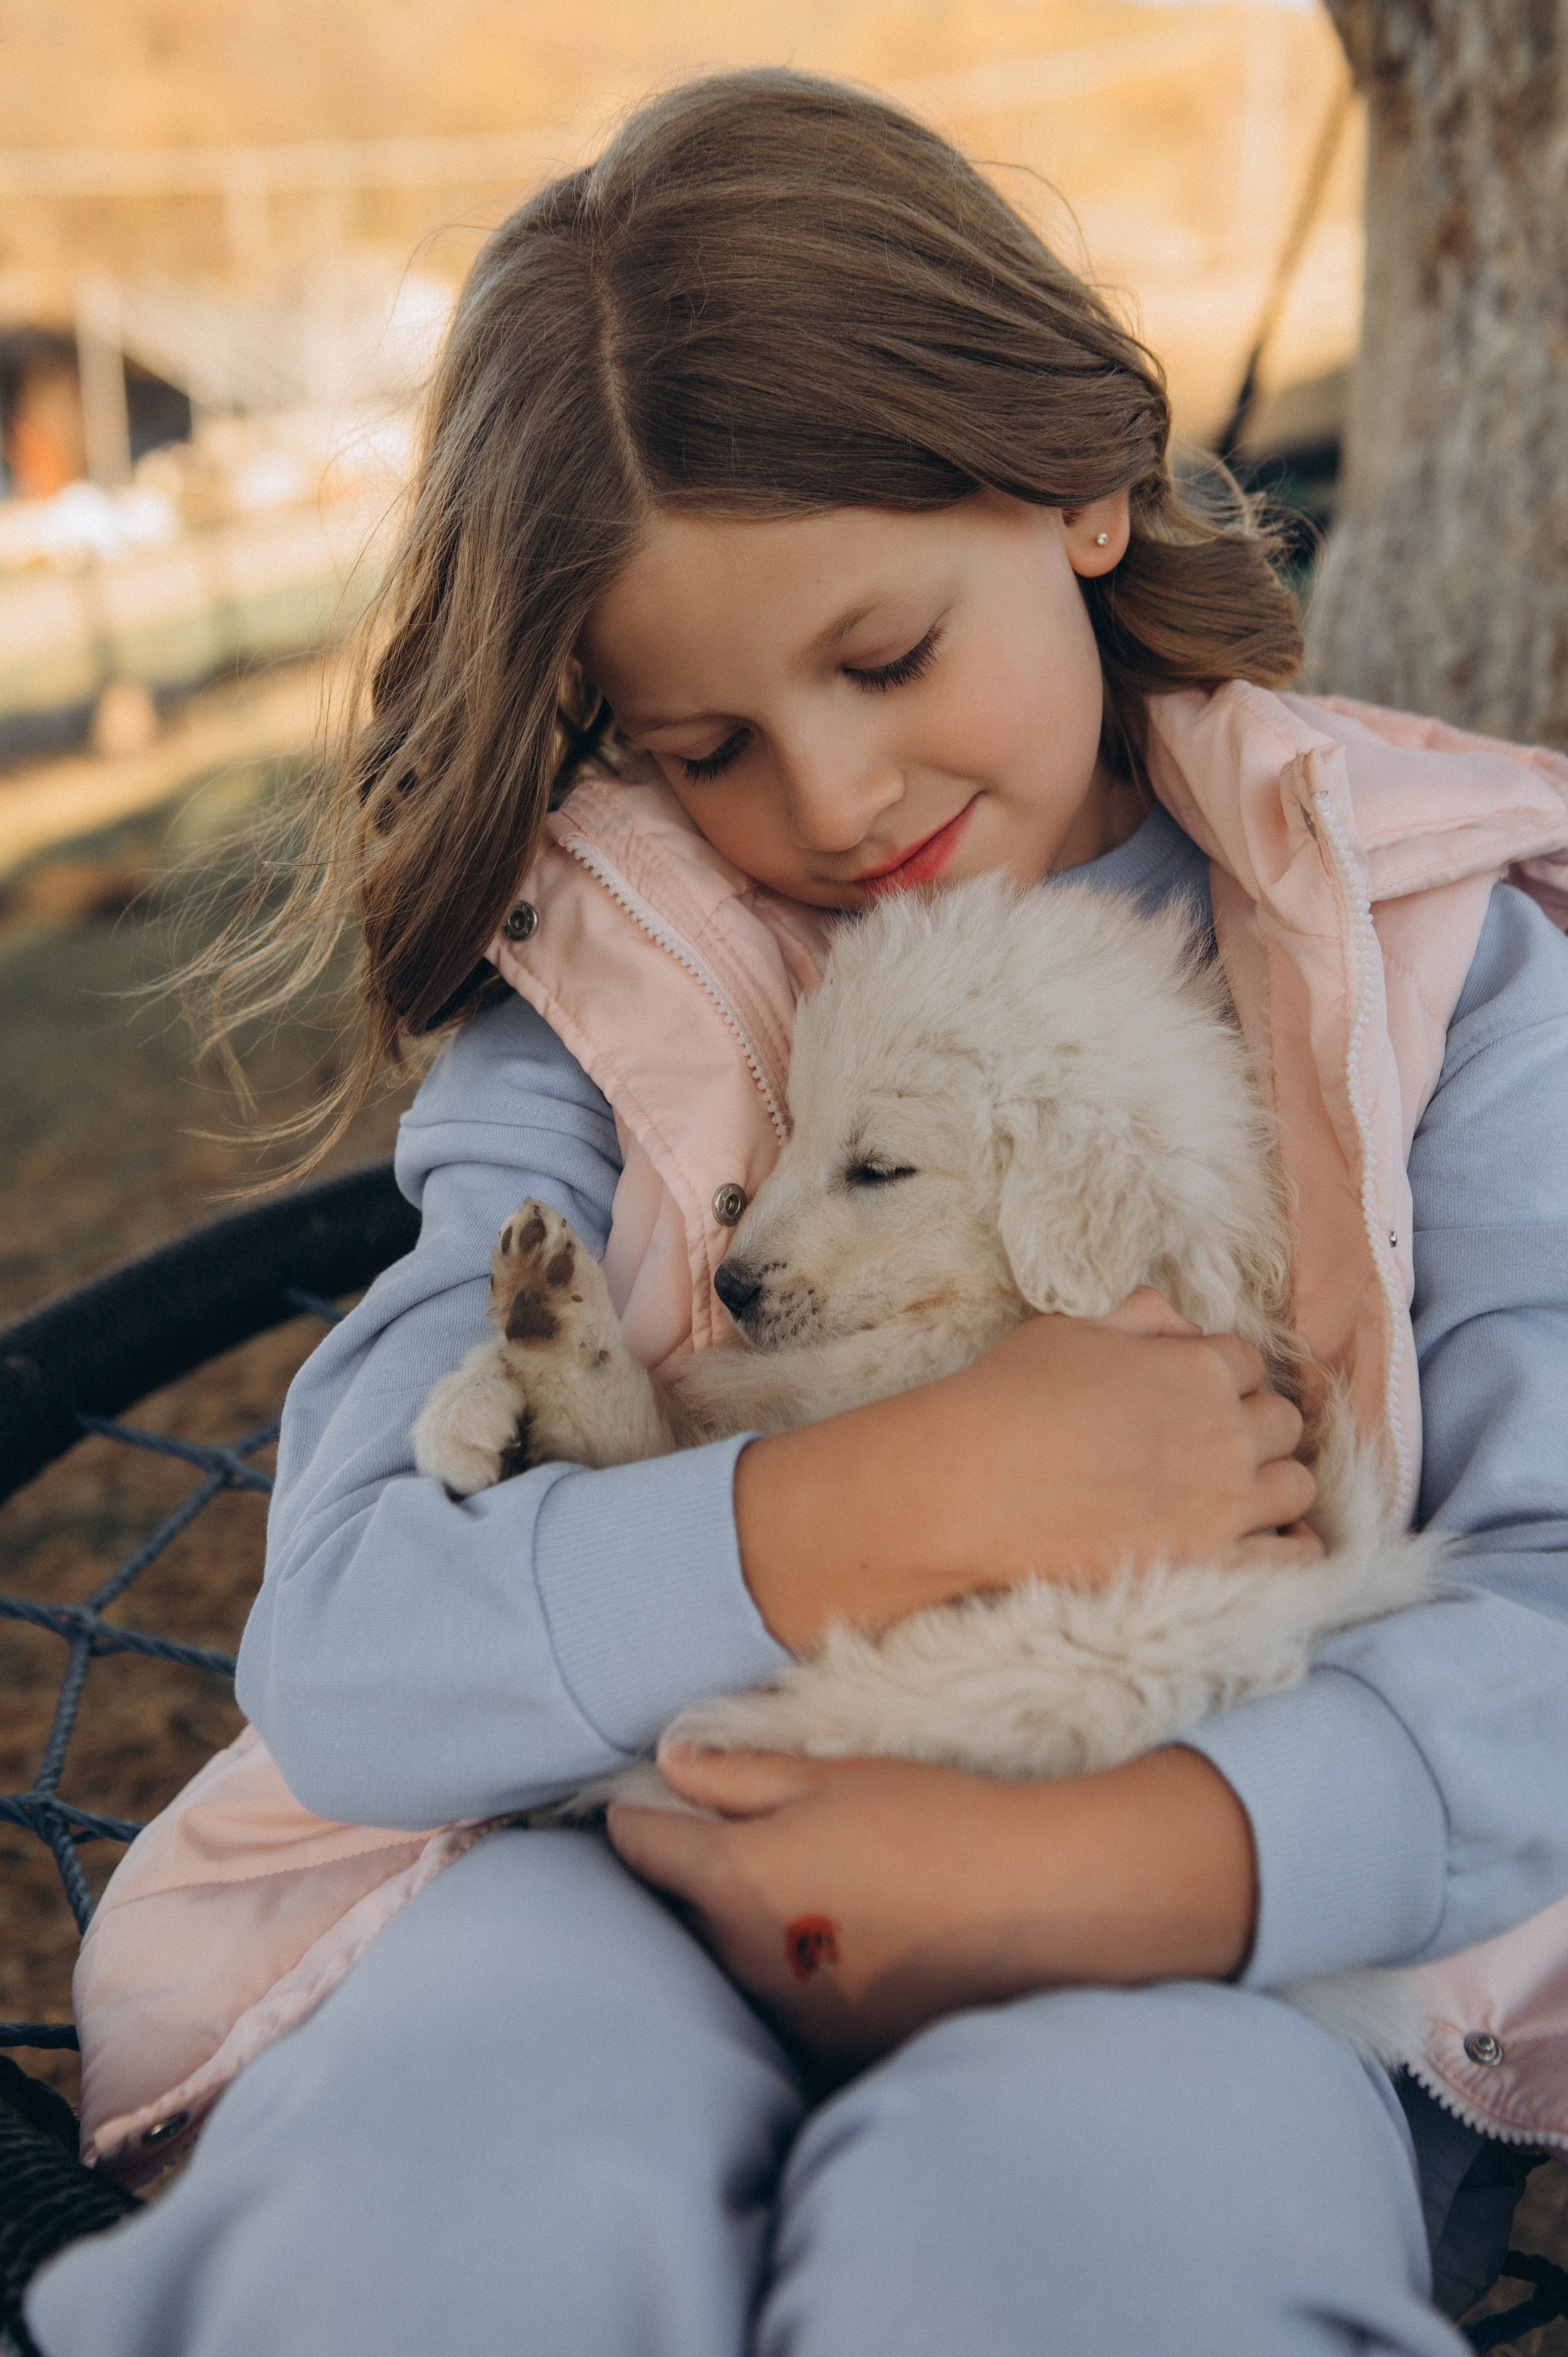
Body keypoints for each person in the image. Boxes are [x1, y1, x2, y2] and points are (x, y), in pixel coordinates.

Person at [20, 68, 1568, 2357]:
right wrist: (873, 1501)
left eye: (883, 659)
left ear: (1083, 492)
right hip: (598, 1862)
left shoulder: (1438, 951)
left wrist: (1108, 1867)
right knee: (444, 2201)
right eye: (706, 745)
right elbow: (348, 1649)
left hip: (1209, 1911)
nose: (832, 804)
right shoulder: (594, 999)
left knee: (1089, 2256)